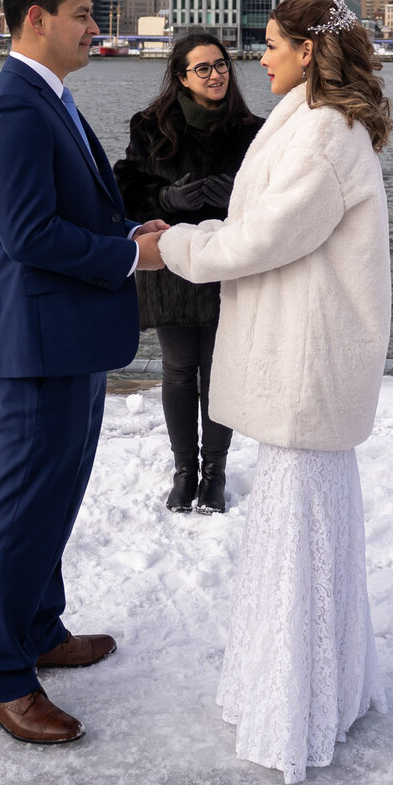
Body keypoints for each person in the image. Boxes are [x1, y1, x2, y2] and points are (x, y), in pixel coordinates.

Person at [157, 0, 393, 784]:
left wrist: (179, 247)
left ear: (308, 51)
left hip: (310, 358)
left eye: (269, 44)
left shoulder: (326, 135)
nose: (258, 58)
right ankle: (313, 685)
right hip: (303, 351)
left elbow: (264, 237)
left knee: (301, 540)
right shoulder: (310, 118)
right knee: (306, 538)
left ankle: (297, 705)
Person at [0, 0, 170, 747]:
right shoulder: (13, 109)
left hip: (70, 339)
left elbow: (69, 211)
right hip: (38, 345)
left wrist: (125, 233)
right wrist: (132, 259)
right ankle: (1, 677)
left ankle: (40, 629)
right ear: (35, 20)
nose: (96, 26)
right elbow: (30, 236)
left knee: (55, 497)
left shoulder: (50, 98)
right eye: (82, 13)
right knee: (21, 510)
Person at [114, 32, 264, 516]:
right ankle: (184, 472)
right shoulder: (150, 126)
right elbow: (128, 189)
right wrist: (166, 200)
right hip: (172, 260)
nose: (216, 74)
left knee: (219, 371)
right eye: (203, 68)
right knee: (179, 370)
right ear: (181, 76)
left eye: (220, 65)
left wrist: (234, 197)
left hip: (228, 260)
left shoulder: (254, 130)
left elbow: (276, 200)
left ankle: (214, 474)